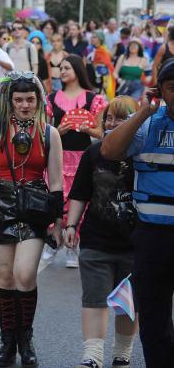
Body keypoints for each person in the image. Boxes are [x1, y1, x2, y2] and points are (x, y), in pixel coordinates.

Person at [0, 71, 64, 367]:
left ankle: (26, 339)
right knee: (4, 278)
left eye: (30, 99)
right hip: (1, 204)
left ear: (38, 100)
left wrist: (59, 222)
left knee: (24, 274)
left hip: (35, 206)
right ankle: (8, 342)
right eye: (18, 100)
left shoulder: (49, 133)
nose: (25, 105)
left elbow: (57, 181)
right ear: (10, 102)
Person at [101, 58, 174, 368]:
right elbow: (109, 150)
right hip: (152, 235)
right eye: (172, 88)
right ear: (161, 90)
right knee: (154, 317)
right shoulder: (148, 122)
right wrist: (145, 109)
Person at [65, 96, 140, 368]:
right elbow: (80, 193)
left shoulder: (142, 153)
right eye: (108, 118)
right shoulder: (94, 153)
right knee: (94, 298)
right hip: (96, 240)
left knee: (128, 304)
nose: (111, 123)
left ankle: (122, 353)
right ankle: (92, 356)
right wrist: (71, 225)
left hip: (135, 244)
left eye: (119, 118)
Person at [45, 55, 107, 267]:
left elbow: (100, 132)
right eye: (60, 68)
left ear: (78, 70)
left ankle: (73, 247)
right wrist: (57, 131)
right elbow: (43, 130)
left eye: (66, 68)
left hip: (82, 158)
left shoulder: (93, 99)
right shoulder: (52, 98)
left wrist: (85, 128)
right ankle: (53, 242)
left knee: (78, 201)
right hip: (58, 157)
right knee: (55, 198)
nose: (61, 71)